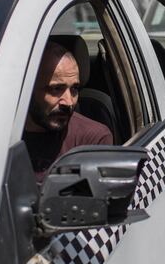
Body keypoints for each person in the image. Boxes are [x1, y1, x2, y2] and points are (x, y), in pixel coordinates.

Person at [24, 40, 113, 181]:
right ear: (27, 89)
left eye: (74, 89)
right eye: (56, 89)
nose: (69, 102)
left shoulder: (91, 139)